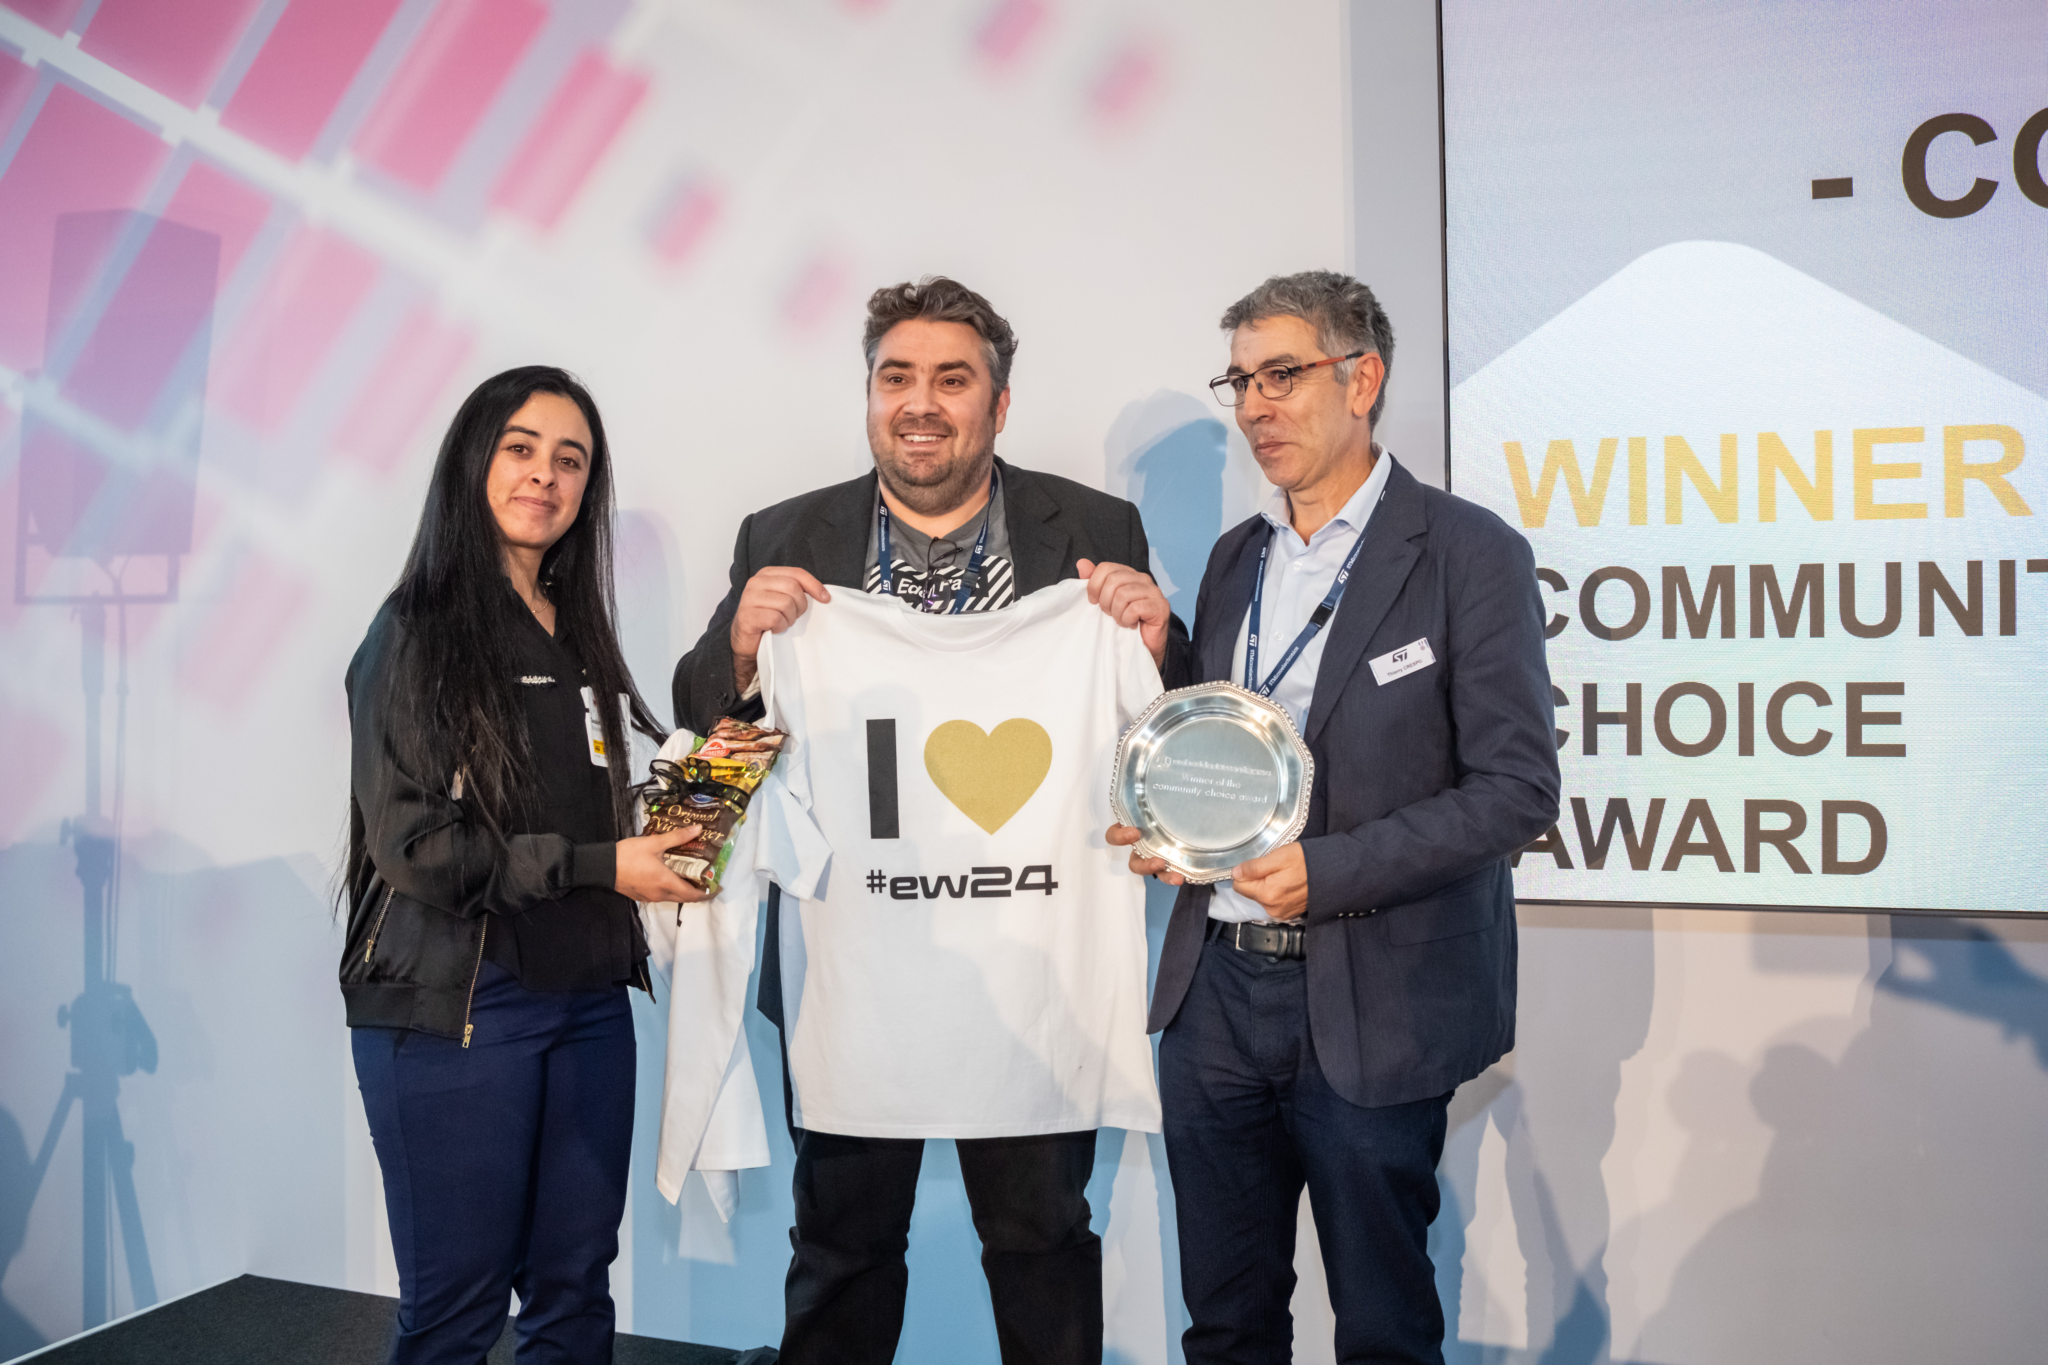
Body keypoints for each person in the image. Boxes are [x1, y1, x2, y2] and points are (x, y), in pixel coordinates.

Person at [671, 276, 1192, 1365]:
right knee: (841, 1248)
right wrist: (738, 654)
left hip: (1035, 964)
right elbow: (710, 736)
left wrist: (1157, 647)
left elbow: (1164, 735)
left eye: (952, 380)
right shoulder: (786, 534)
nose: (920, 403)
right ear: (868, 396)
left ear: (998, 405)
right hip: (849, 971)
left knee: (1041, 1238)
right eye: (895, 377)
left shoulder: (1093, 529)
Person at [1109, 272, 1561, 1364]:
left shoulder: (1466, 552)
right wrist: (1175, 821)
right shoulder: (1235, 557)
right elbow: (1235, 744)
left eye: (1281, 375)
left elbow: (1516, 788)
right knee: (1225, 1322)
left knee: (1382, 1329)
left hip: (1376, 994)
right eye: (1240, 382)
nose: (1255, 406)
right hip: (1214, 995)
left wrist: (1332, 869)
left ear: (1362, 379)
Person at [340, 366, 706, 1364]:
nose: (545, 474)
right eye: (521, 448)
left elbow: (573, 811)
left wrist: (678, 818)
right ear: (473, 460)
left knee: (574, 1292)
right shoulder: (415, 630)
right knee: (456, 1316)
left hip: (588, 1002)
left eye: (570, 459)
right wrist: (602, 864)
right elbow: (417, 846)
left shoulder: (577, 630)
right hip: (459, 1009)